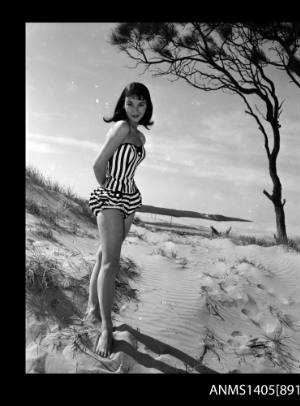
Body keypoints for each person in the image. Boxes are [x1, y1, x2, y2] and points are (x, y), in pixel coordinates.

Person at [85, 82, 154, 358]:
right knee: (112, 262)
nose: (135, 109)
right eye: (130, 103)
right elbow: (98, 164)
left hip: (130, 199)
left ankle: (91, 307)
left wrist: (123, 195)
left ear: (147, 106)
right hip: (112, 196)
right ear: (122, 104)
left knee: (105, 255)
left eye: (141, 104)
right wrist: (109, 191)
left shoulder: (141, 138)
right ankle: (105, 328)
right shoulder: (121, 128)